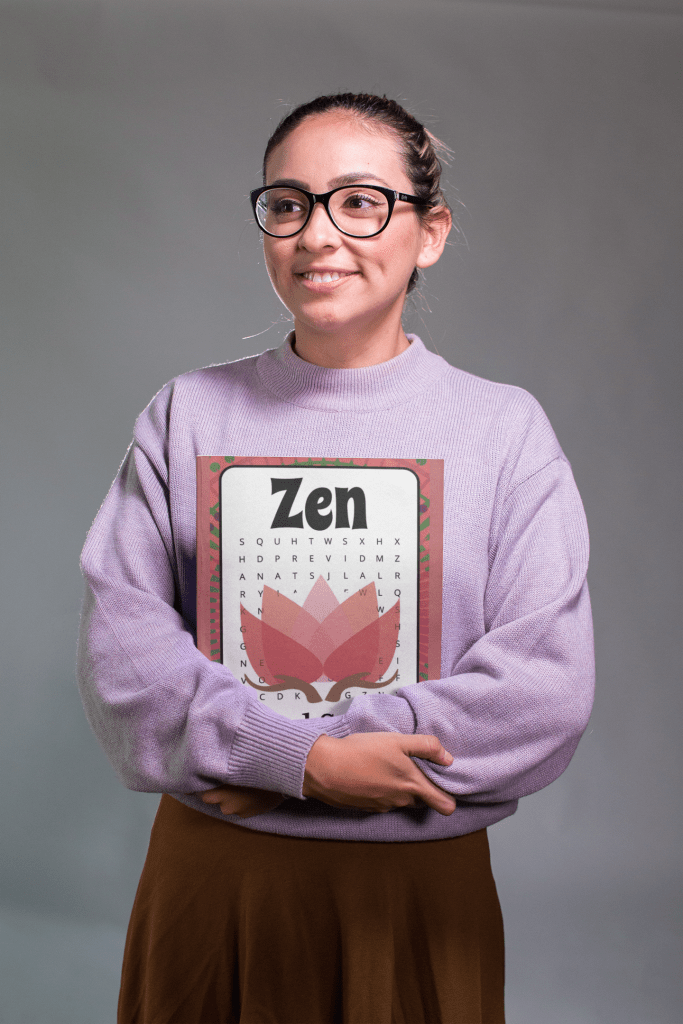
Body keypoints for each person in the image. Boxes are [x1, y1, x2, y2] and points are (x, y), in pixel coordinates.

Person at [77, 93, 595, 1024]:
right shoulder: (183, 416)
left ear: (428, 232)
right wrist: (307, 759)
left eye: (359, 202)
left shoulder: (502, 431)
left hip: (415, 892)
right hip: (213, 882)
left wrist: (325, 748)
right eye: (289, 203)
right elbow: (123, 660)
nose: (319, 233)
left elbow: (545, 685)